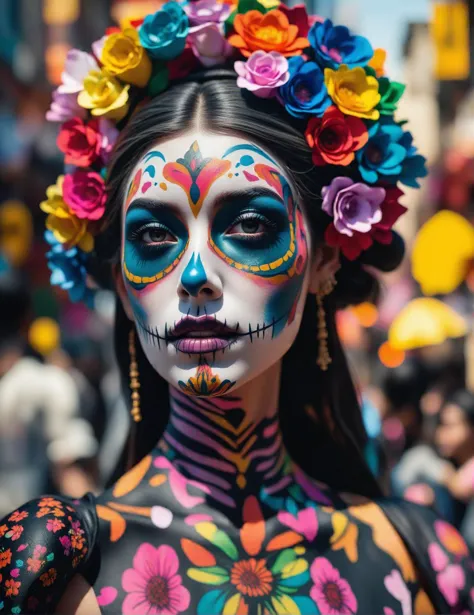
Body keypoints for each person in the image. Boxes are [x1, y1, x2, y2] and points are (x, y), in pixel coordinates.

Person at [1, 4, 473, 614]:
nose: (195, 275)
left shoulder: (425, 559)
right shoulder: (49, 561)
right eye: (153, 236)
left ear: (324, 257)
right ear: (120, 278)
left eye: (250, 225)